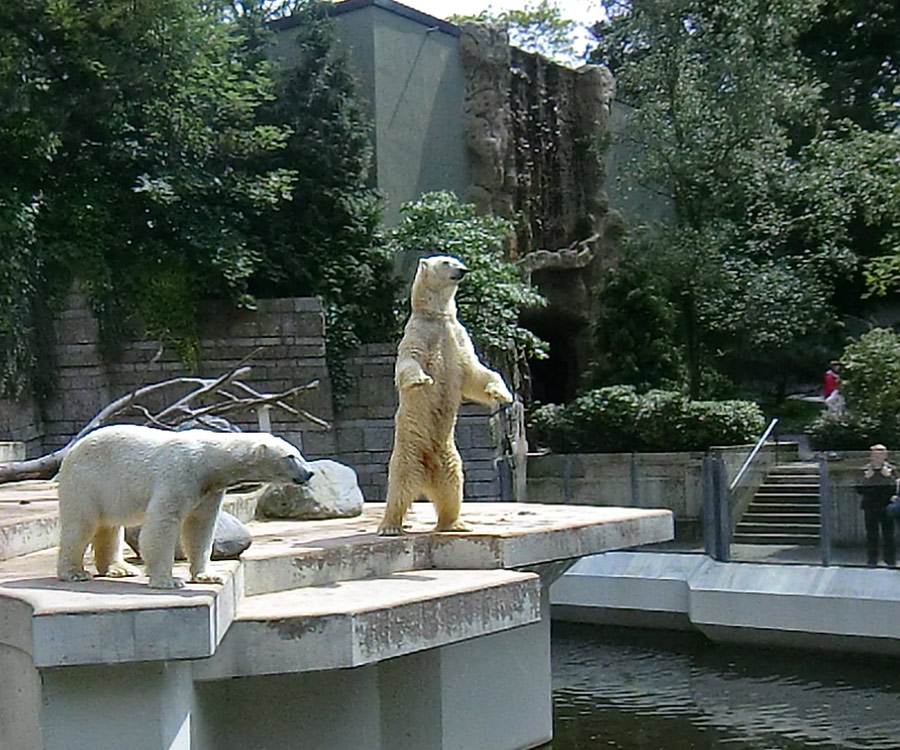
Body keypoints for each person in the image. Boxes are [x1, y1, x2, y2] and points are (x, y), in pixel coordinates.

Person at [855, 444, 897, 567]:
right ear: (871, 456)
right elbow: (858, 490)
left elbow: (896, 488)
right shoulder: (865, 470)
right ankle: (872, 560)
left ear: (886, 455)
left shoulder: (892, 470)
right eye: (876, 454)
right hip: (870, 506)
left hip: (887, 506)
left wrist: (889, 477)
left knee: (889, 535)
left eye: (881, 454)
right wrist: (866, 479)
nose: (878, 457)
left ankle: (890, 561)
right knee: (871, 535)